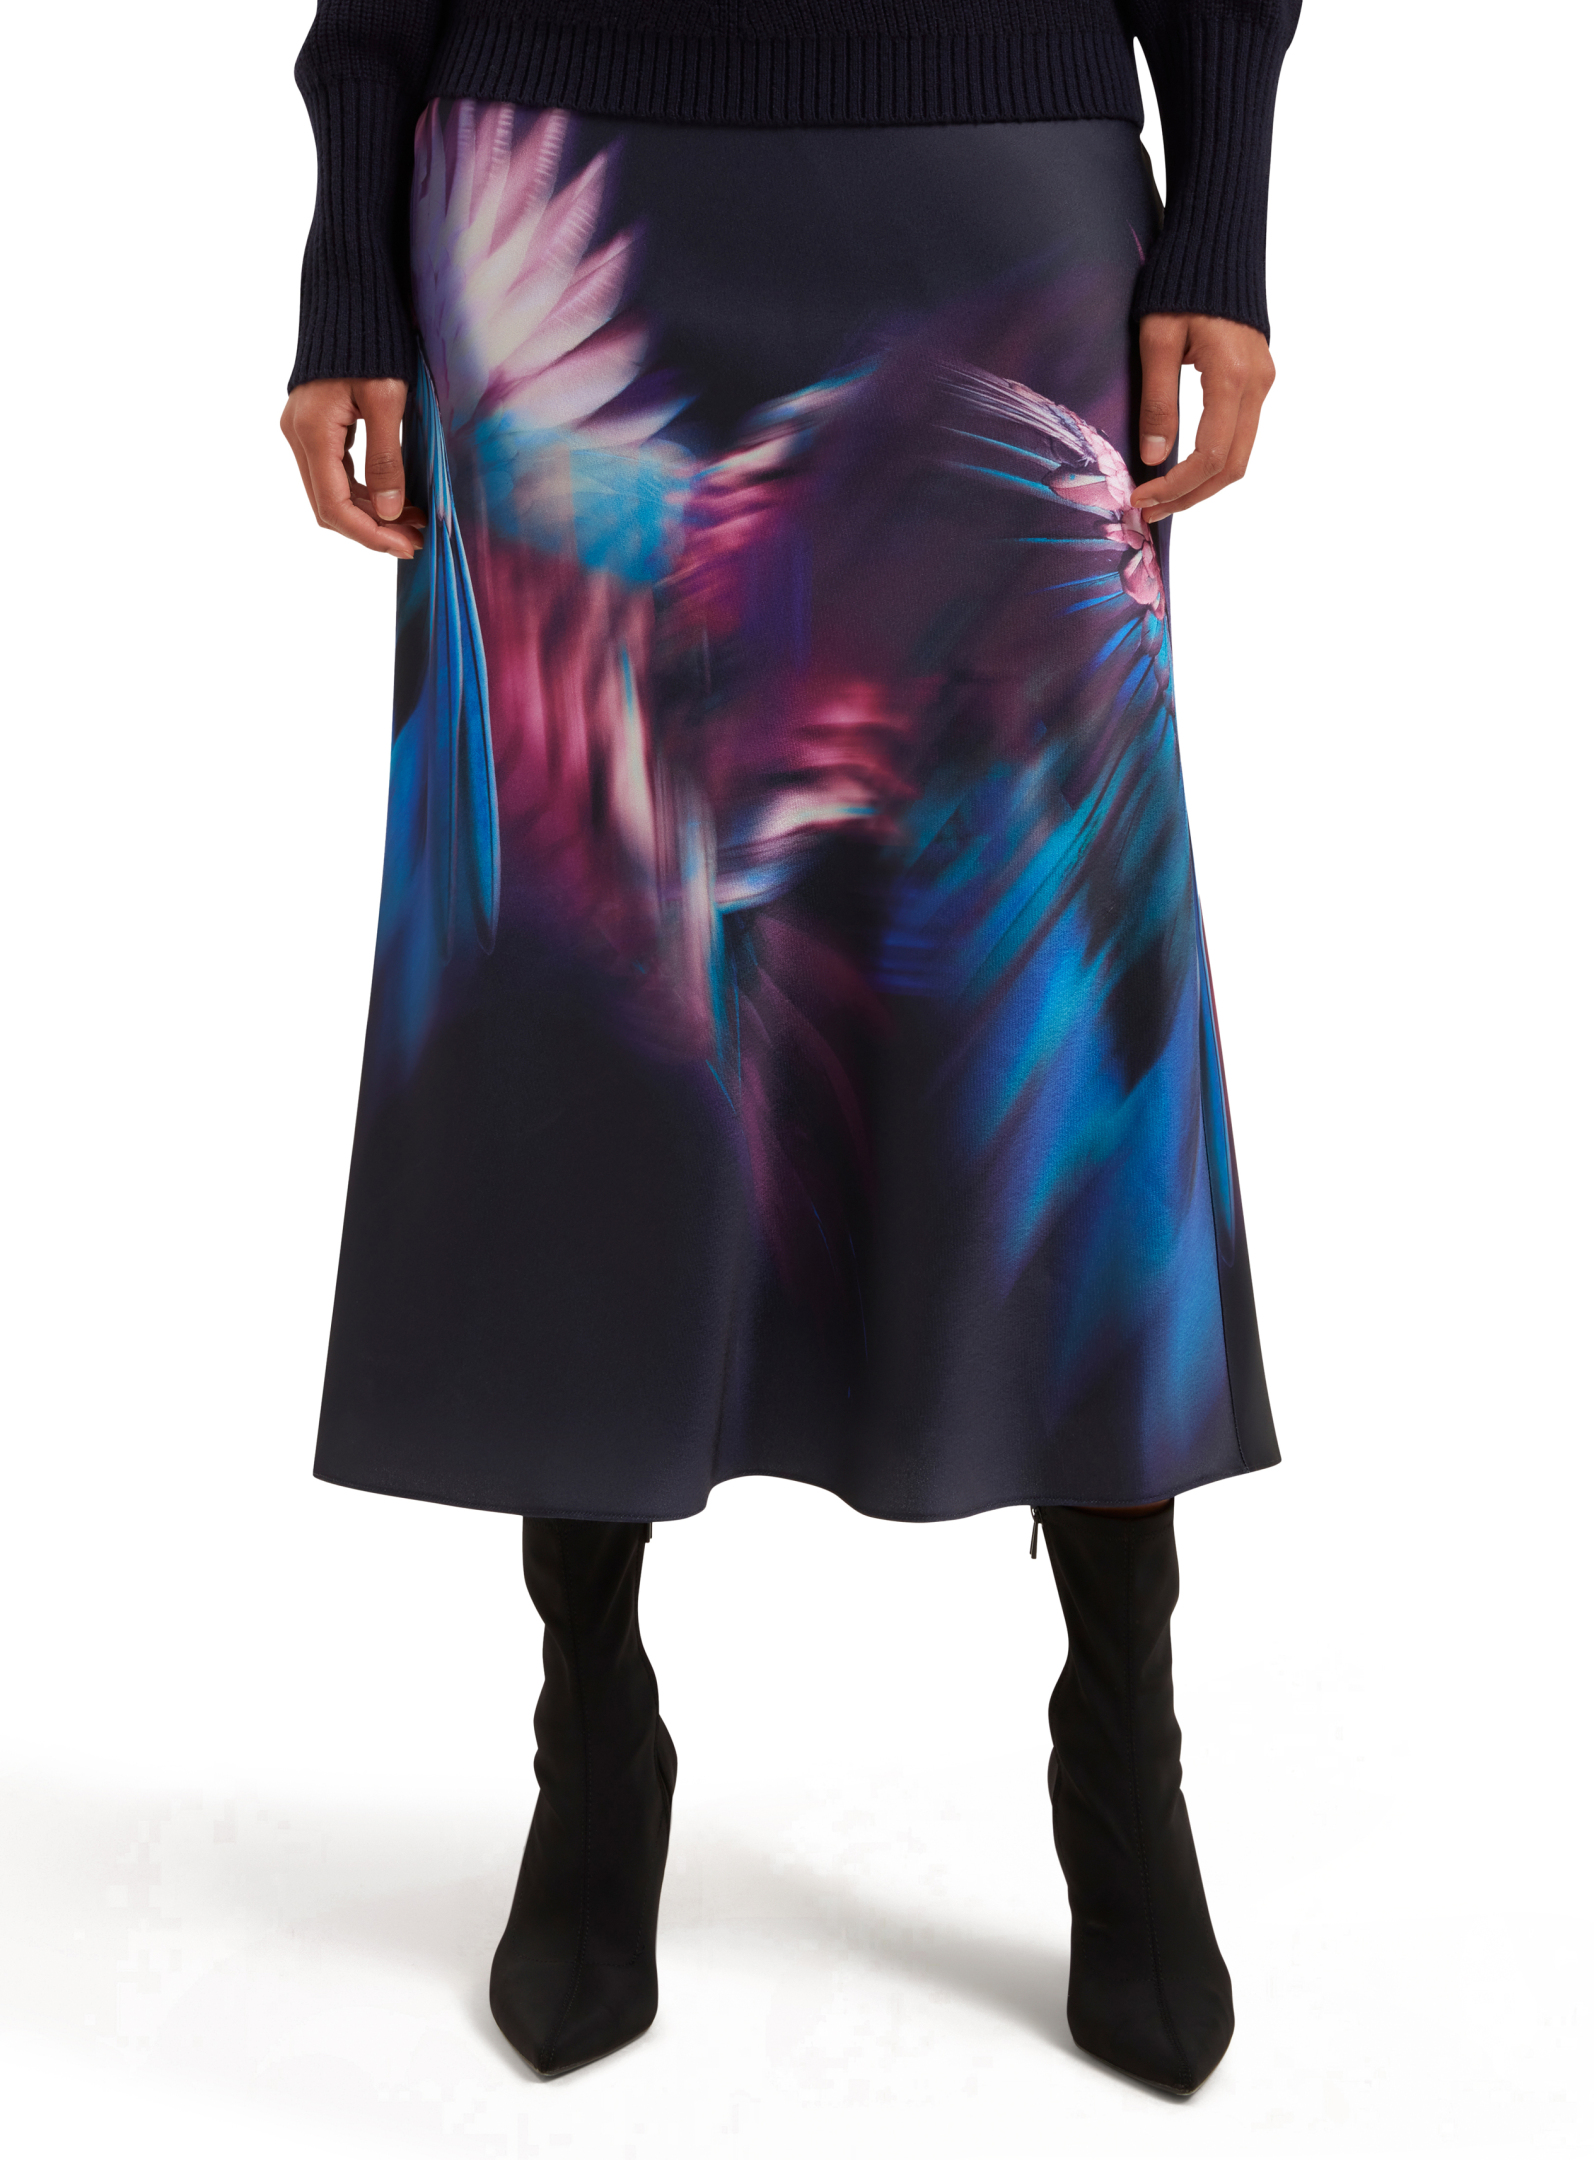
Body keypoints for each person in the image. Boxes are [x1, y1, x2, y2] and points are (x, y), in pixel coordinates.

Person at [280, 0, 1298, 2094]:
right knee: (592, 992)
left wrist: (1220, 217)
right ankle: (591, 1729)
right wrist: (349, 261)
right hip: (564, 203)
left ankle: (1121, 1740)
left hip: (994, 194)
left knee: (1057, 998)